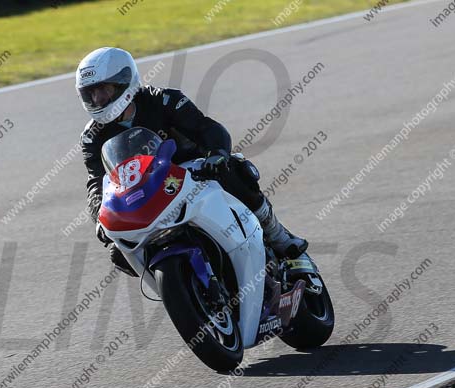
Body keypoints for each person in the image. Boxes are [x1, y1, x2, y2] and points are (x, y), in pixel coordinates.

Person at [76, 47, 307, 276]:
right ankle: (179, 287)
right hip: (144, 195)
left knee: (234, 169)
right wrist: (99, 216)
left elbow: (205, 127)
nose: (97, 99)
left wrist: (216, 153)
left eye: (103, 90)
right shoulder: (92, 136)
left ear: (123, 82)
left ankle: (277, 235)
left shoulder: (164, 100)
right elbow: (97, 182)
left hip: (193, 173)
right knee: (118, 251)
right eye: (91, 94)